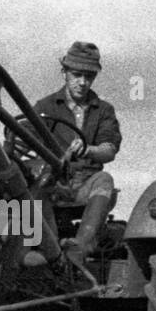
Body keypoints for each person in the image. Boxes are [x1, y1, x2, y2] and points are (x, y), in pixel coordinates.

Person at [30, 41, 121, 266]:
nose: (83, 82)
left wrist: (88, 150)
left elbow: (109, 149)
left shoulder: (104, 110)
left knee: (104, 179)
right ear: (65, 73)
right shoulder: (46, 107)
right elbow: (25, 137)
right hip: (52, 183)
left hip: (85, 184)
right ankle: (45, 250)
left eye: (89, 76)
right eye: (77, 74)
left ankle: (78, 250)